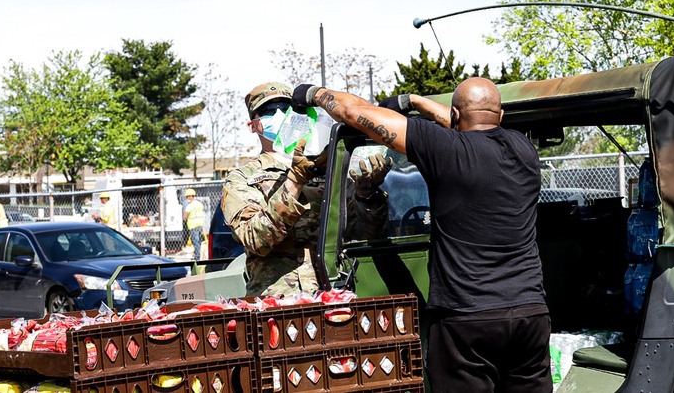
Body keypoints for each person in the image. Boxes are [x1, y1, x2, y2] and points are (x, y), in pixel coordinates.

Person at [291, 78, 551, 393]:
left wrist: (313, 94)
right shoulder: (524, 150)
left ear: (456, 115)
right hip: (530, 315)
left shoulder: (442, 147)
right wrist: (415, 101)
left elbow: (352, 111)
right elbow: (469, 119)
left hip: (466, 321)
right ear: (502, 115)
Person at [221, 82, 392, 297]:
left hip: (336, 291)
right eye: (267, 111)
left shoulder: (328, 165)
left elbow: (365, 235)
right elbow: (256, 240)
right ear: (253, 125)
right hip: (278, 302)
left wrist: (367, 194)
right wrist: (295, 181)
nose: (279, 115)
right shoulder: (242, 179)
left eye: (286, 108)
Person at [182, 188, 205, 261]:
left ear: (189, 196)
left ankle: (197, 257)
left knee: (195, 242)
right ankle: (198, 254)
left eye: (187, 197)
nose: (187, 198)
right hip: (200, 224)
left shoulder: (190, 205)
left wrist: (184, 220)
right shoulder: (199, 203)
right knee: (199, 242)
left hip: (193, 225)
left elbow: (185, 216)